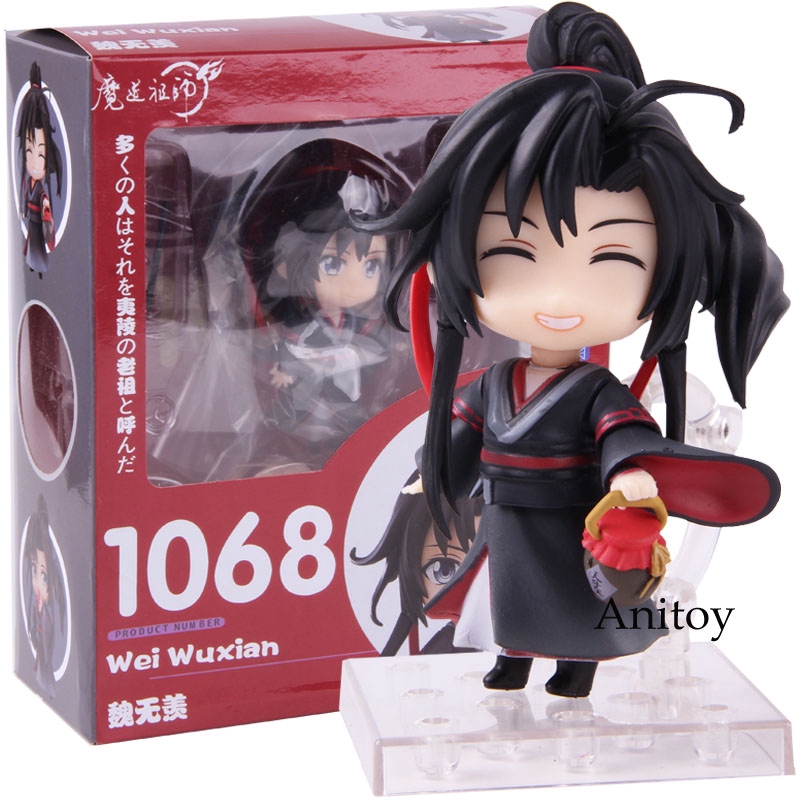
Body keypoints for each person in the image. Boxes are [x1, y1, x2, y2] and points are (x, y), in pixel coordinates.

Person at [360, 3, 787, 697]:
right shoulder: (495, 383)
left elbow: (622, 438)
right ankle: (512, 658)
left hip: (573, 513)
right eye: (513, 252)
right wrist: (430, 474)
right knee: (508, 591)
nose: (559, 296)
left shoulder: (595, 392)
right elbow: (462, 434)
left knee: (578, 596)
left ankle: (576, 667)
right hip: (508, 511)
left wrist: (631, 476)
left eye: (613, 259)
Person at [238, 139, 414, 472]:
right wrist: (284, 368)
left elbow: (377, 344)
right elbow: (283, 346)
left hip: (345, 396)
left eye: (371, 266)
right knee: (295, 416)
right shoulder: (296, 321)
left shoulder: (360, 323)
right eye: (333, 264)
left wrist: (386, 347)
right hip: (301, 397)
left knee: (349, 414)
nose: (355, 283)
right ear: (290, 261)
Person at [18, 62, 63, 275]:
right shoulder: (28, 183)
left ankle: (40, 268)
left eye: (41, 155)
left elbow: (45, 204)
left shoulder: (41, 190)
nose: (34, 162)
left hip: (38, 221)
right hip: (32, 221)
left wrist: (46, 212)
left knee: (37, 248)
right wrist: (24, 210)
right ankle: (35, 268)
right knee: (31, 246)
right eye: (29, 152)